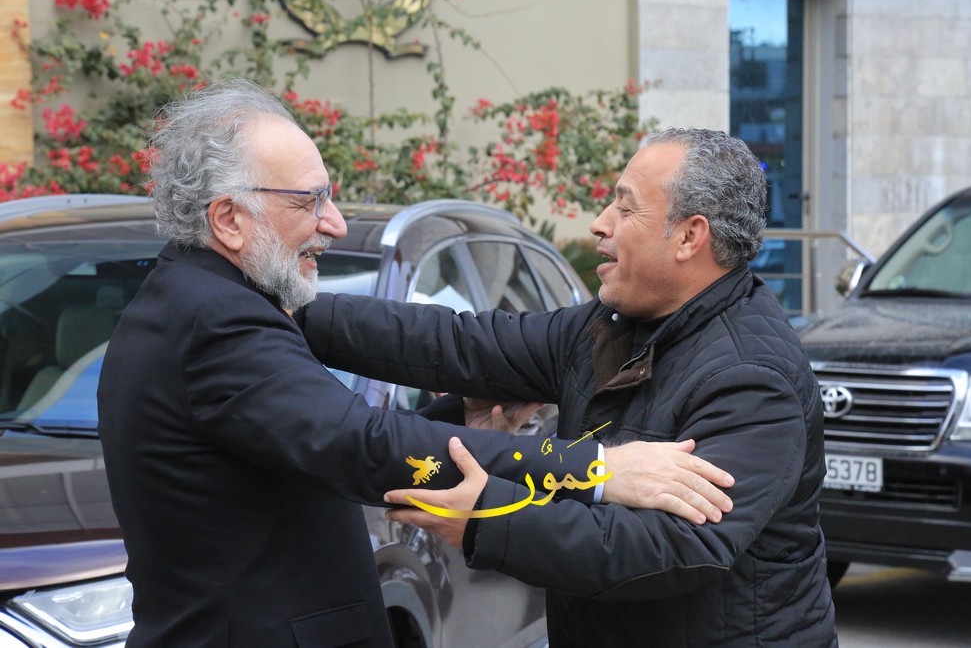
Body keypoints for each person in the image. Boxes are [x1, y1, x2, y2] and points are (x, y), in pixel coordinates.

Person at [97, 81, 735, 648]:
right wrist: (594, 468)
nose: (333, 224)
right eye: (308, 202)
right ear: (229, 219)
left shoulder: (203, 302)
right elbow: (359, 442)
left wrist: (458, 423)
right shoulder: (216, 319)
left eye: (328, 198)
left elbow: (303, 445)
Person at [298, 128, 838, 646]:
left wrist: (488, 517)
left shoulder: (752, 378)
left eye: (625, 208)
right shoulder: (609, 326)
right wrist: (288, 311)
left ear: (689, 236)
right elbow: (458, 343)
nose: (600, 224)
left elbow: (675, 547)